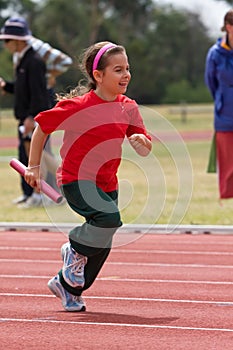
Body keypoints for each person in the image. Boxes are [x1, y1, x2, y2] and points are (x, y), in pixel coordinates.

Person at [24, 41, 152, 312]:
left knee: (103, 242)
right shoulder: (79, 106)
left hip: (107, 183)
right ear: (98, 75)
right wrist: (34, 167)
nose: (126, 74)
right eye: (118, 70)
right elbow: (41, 127)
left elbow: (142, 142)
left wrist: (142, 142)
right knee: (108, 219)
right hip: (76, 179)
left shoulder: (128, 107)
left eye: (128, 68)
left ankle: (68, 287)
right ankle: (73, 247)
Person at [0, 17, 49, 206]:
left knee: (33, 158)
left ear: (18, 40)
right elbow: (22, 89)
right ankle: (28, 194)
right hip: (23, 118)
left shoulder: (34, 62)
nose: (5, 44)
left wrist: (31, 118)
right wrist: (6, 87)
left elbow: (38, 94)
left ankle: (39, 195)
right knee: (23, 157)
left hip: (33, 120)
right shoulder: (21, 61)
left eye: (7, 40)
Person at [205, 9, 233, 200]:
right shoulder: (215, 54)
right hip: (225, 117)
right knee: (230, 169)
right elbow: (211, 84)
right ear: (229, 27)